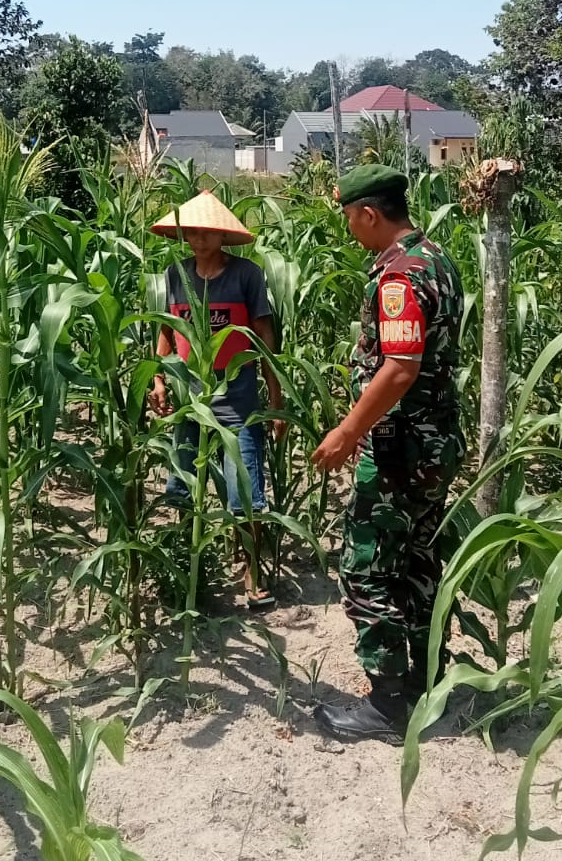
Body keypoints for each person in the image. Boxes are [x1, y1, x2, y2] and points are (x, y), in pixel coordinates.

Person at [310, 164, 464, 742]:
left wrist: (348, 432)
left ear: (370, 214)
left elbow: (399, 368)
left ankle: (387, 704)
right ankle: (427, 682)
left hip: (401, 446)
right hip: (436, 440)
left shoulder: (398, 277)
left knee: (367, 569)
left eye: (351, 219)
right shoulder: (439, 260)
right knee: (420, 561)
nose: (351, 229)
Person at [149, 191, 283, 608]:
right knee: (183, 487)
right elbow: (167, 332)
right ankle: (188, 571)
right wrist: (158, 379)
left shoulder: (246, 275)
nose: (198, 238)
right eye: (191, 231)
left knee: (246, 493)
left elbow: (263, 336)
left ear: (222, 235)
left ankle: (252, 574)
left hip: (237, 403)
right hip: (188, 399)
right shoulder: (176, 275)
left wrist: (275, 398)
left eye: (206, 231)